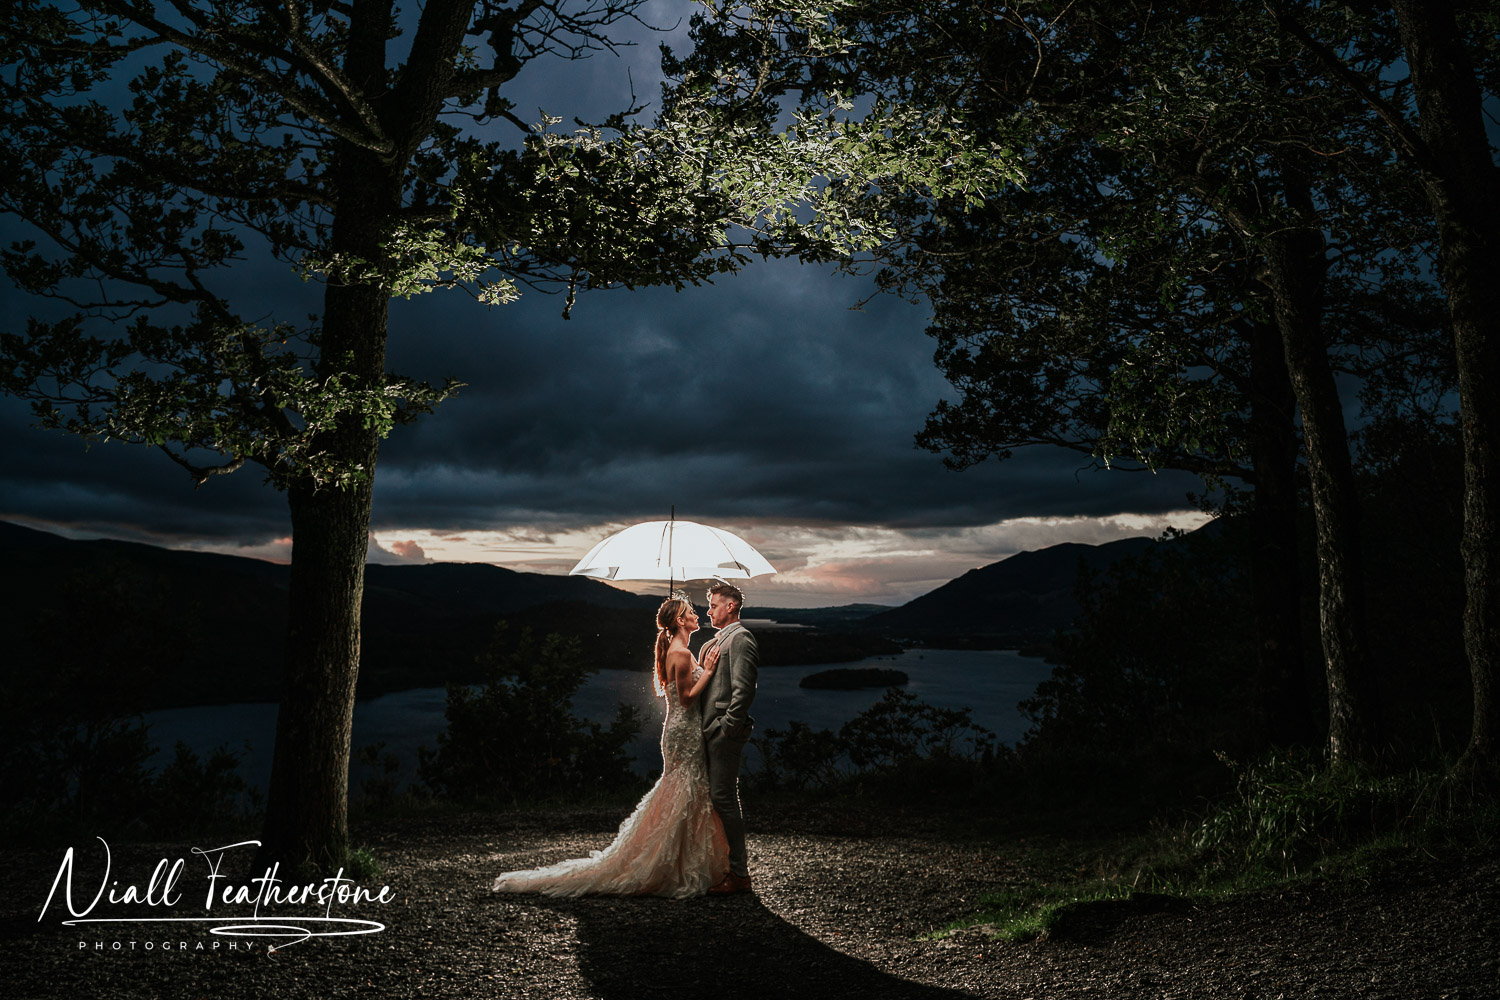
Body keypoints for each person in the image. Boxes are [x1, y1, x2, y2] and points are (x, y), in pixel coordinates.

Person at [490, 595, 730, 898]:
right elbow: (686, 699)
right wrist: (708, 671)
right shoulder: (680, 653)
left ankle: (681, 860)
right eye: (690, 612)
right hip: (684, 732)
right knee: (685, 789)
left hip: (680, 731)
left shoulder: (678, 650)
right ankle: (672, 865)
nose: (696, 615)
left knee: (682, 790)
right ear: (680, 621)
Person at [699, 581, 759, 895]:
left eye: (713, 605)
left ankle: (740, 875)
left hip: (722, 733)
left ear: (731, 606)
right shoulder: (712, 643)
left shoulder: (741, 638)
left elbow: (745, 688)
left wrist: (728, 727)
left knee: (723, 798)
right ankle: (718, 866)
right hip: (705, 731)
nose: (708, 611)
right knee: (711, 798)